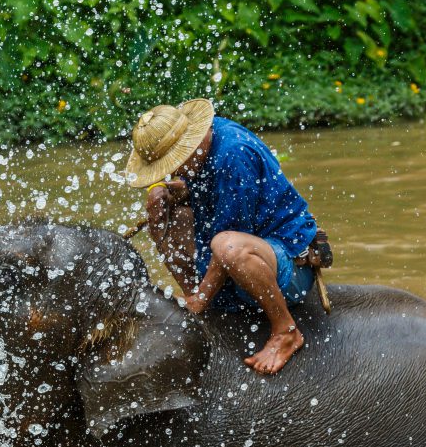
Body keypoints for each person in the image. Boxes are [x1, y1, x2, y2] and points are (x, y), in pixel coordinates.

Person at [124, 99, 317, 375]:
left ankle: (285, 330)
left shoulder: (233, 154)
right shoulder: (204, 147)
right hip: (241, 256)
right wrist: (177, 191)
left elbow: (230, 241)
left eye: (175, 164)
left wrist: (204, 296)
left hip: (284, 263)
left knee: (226, 245)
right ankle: (195, 296)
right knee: (160, 200)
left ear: (189, 146)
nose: (173, 172)